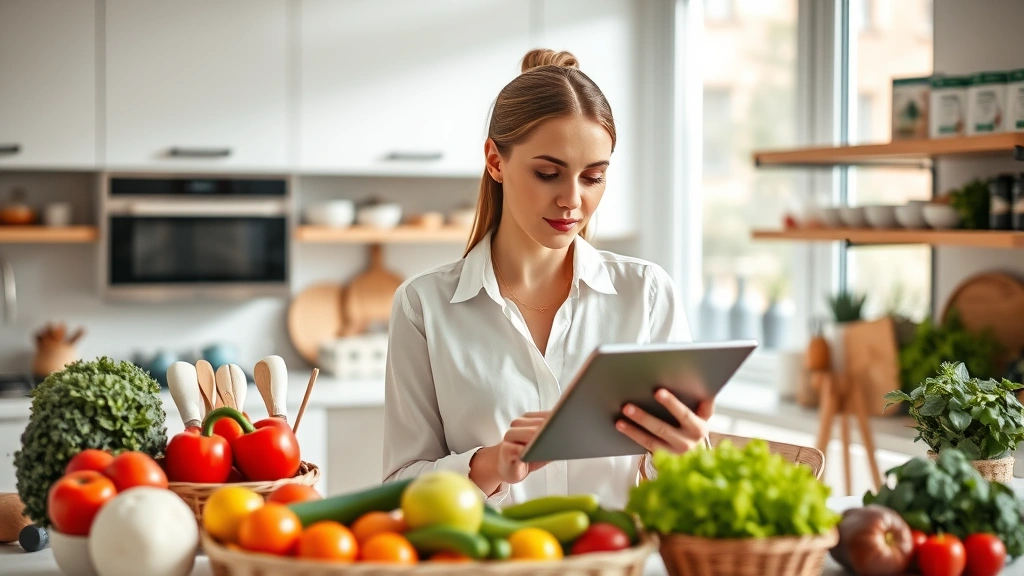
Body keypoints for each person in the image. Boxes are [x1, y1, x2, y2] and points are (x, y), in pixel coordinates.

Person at [382, 48, 713, 509]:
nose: (571, 200)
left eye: (593, 177)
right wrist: (491, 464)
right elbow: (399, 488)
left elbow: (685, 494)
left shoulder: (647, 295)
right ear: (495, 162)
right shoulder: (424, 306)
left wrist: (687, 455)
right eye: (547, 174)